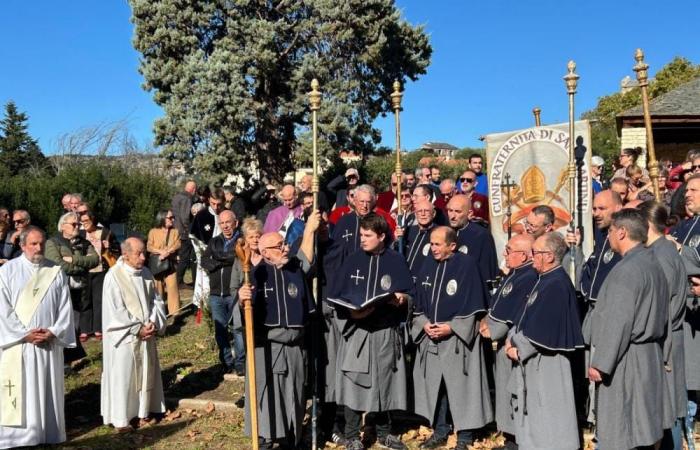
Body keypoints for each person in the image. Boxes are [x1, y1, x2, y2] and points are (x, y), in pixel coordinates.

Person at [327, 213, 414, 450]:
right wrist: (353, 313)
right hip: (358, 331)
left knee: (385, 383)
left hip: (385, 331)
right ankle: (353, 435)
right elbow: (336, 296)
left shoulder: (395, 260)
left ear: (382, 236)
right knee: (355, 383)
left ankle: (384, 432)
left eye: (367, 235)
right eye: (361, 235)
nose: (362, 240)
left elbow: (410, 293)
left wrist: (402, 299)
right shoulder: (353, 260)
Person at [238, 212, 319, 449]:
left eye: (284, 243)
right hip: (268, 348)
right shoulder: (255, 274)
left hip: (295, 347)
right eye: (279, 246)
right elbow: (242, 315)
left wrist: (310, 232)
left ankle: (289, 438)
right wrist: (242, 300)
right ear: (265, 252)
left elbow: (308, 309)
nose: (285, 248)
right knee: (267, 395)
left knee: (293, 394)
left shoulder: (294, 270)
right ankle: (266, 437)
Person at [589, 209, 669, 450]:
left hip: (626, 360)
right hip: (648, 355)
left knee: (622, 430)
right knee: (643, 428)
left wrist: (600, 363)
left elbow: (619, 322)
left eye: (611, 232)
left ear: (622, 232)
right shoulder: (652, 263)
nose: (608, 237)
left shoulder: (626, 271)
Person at [412, 226, 492, 449]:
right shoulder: (428, 263)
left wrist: (452, 327)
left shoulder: (467, 266)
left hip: (457, 338)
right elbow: (418, 304)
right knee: (437, 387)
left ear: (452, 246)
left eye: (438, 244)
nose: (433, 248)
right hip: (431, 336)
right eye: (431, 243)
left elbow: (476, 308)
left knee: (461, 387)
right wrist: (424, 324)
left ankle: (465, 436)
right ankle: (440, 429)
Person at [505, 233, 584, 450]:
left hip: (547, 361)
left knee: (549, 415)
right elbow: (524, 315)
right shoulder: (544, 279)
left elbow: (544, 329)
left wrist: (516, 348)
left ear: (549, 256)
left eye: (535, 253)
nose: (531, 257)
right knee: (535, 415)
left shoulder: (557, 284)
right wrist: (511, 339)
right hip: (532, 358)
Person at [0, 226, 75, 448]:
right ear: (22, 246)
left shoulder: (55, 271)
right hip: (19, 346)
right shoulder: (7, 271)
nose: (38, 248)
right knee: (21, 391)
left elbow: (65, 307)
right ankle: (19, 438)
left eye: (41, 243)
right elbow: (2, 309)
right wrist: (24, 334)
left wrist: (53, 331)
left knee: (46, 388)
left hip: (48, 344)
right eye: (33, 244)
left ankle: (48, 433)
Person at [101, 237, 167, 430]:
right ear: (125, 254)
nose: (143, 257)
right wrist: (136, 329)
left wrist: (153, 322)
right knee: (125, 376)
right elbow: (115, 310)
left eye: (144, 252)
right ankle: (122, 419)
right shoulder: (114, 276)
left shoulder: (146, 273)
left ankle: (143, 412)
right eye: (138, 253)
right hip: (125, 338)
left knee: (145, 372)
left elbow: (156, 301)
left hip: (146, 333)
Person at [480, 233, 538, 450]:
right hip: (501, 341)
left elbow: (514, 313)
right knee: (504, 390)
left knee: (515, 392)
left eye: (509, 250)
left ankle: (516, 440)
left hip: (511, 343)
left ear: (523, 255)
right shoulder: (513, 274)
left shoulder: (529, 277)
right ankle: (509, 437)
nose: (505, 254)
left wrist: (492, 329)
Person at [639, 200, 688, 450]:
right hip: (664, 337)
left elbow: (663, 305)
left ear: (646, 224)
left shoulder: (662, 254)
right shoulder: (657, 251)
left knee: (669, 410)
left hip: (665, 340)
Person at [671, 174, 700, 445]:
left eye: (693, 189)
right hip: (683, 319)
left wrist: (680, 252)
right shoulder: (685, 226)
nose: (686, 194)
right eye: (686, 189)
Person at [45, 212, 100, 350]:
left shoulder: (84, 242)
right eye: (74, 224)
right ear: (63, 226)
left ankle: (71, 354)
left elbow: (95, 260)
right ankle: (62, 354)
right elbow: (58, 265)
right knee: (61, 321)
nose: (77, 227)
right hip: (61, 289)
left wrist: (74, 260)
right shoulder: (53, 242)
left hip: (80, 289)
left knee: (75, 321)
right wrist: (82, 267)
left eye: (78, 224)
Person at [201, 210, 240, 374]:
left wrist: (219, 258)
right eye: (222, 223)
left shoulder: (241, 241)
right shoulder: (214, 241)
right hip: (216, 293)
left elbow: (236, 256)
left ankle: (240, 363)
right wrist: (215, 264)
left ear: (235, 223)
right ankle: (226, 362)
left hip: (234, 293)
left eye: (228, 222)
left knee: (238, 329)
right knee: (220, 330)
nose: (225, 226)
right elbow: (204, 260)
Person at [228, 218, 266, 378]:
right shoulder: (240, 261)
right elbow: (233, 287)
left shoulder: (266, 258)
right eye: (251, 237)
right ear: (246, 239)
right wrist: (241, 294)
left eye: (258, 235)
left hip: (265, 307)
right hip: (246, 309)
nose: (255, 239)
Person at [80, 210, 120, 339]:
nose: (84, 223)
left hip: (101, 269)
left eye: (86, 221)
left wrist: (109, 246)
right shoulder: (80, 234)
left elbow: (117, 249)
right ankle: (85, 329)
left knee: (98, 300)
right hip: (85, 271)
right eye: (82, 221)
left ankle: (98, 328)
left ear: (93, 220)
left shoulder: (105, 232)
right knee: (85, 300)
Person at [446, 194, 498, 289]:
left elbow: (486, 273)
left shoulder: (481, 236)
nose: (452, 216)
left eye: (458, 212)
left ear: (469, 214)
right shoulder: (445, 232)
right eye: (450, 210)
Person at [146, 209, 181, 316]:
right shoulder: (153, 231)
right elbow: (149, 246)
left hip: (170, 264)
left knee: (173, 289)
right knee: (158, 290)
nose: (172, 220)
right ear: (162, 218)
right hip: (157, 265)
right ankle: (159, 313)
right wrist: (160, 252)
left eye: (173, 217)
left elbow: (178, 244)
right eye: (170, 218)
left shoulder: (175, 231)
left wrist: (168, 252)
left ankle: (175, 314)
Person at [173, 180, 198, 287]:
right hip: (184, 233)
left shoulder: (177, 197)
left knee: (183, 256)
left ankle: (179, 281)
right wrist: (190, 230)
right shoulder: (187, 199)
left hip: (176, 231)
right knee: (185, 257)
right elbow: (185, 218)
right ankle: (178, 282)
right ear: (193, 190)